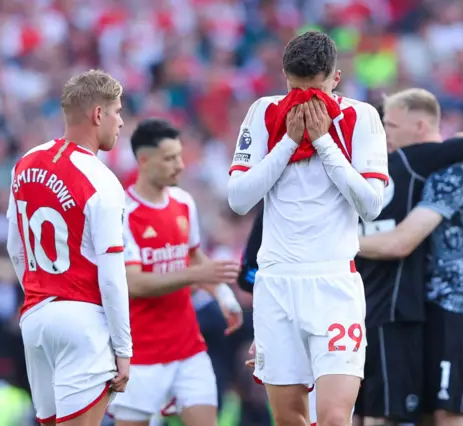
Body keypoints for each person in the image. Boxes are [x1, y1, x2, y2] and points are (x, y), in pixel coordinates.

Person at [227, 31, 388, 426]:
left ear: (335, 79)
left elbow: (371, 205)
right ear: (284, 77)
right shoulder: (264, 113)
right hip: (277, 286)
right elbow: (239, 198)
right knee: (289, 418)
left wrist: (324, 143)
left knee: (334, 417)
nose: (304, 102)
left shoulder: (360, 117)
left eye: (314, 91)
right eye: (296, 90)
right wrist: (287, 143)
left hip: (333, 284)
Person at [351, 89, 463, 426]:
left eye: (391, 125)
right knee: (425, 413)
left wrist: (334, 243)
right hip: (424, 307)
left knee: (449, 414)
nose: (384, 134)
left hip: (457, 309)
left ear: (418, 126)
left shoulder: (454, 173)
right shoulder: (424, 169)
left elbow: (402, 241)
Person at [6, 69, 132, 426]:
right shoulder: (102, 180)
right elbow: (111, 276)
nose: (120, 122)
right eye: (117, 111)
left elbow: (16, 247)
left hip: (35, 320)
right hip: (82, 323)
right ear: (97, 114)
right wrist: (124, 349)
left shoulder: (25, 163)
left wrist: (38, 292)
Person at [107, 118, 243, 426]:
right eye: (169, 158)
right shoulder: (123, 213)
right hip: (140, 353)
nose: (180, 165)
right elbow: (134, 282)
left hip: (188, 347)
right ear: (144, 160)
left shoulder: (183, 202)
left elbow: (194, 257)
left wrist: (223, 295)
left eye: (179, 156)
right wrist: (197, 275)